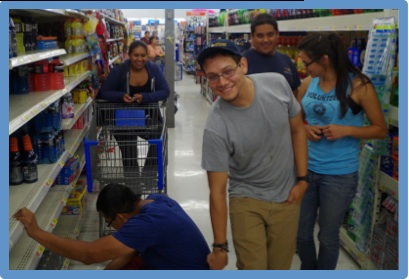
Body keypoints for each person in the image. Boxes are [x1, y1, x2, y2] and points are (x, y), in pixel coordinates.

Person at [197, 39, 308, 270]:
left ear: (244, 65)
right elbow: (217, 191)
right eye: (213, 76)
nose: (222, 82)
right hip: (246, 199)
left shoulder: (277, 84)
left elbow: (297, 129)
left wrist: (303, 179)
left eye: (228, 71)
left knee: (280, 268)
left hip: (287, 196)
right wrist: (219, 247)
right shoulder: (216, 126)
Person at [295, 32, 388, 270]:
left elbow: (380, 130)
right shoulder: (308, 83)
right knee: (301, 232)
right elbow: (293, 121)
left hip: (339, 175)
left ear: (324, 58)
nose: (304, 68)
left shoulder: (359, 85)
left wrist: (346, 130)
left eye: (307, 62)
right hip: (305, 170)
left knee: (327, 236)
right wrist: (306, 129)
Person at [14, 183, 211, 270]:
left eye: (110, 222)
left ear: (120, 217)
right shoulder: (156, 200)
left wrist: (36, 232)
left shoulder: (147, 224)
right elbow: (131, 248)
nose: (112, 227)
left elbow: (89, 254)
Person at [99, 40, 169, 178]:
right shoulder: (119, 70)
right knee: (129, 152)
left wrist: (145, 97)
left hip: (148, 116)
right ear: (129, 55)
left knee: (158, 135)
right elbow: (104, 92)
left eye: (143, 55)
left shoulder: (153, 69)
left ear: (147, 55)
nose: (139, 59)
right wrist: (121, 96)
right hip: (124, 118)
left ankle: (148, 176)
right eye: (136, 55)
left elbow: (165, 91)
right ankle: (134, 185)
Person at [243, 13, 301, 96]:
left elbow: (294, 93)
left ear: (277, 34)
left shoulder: (286, 61)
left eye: (270, 35)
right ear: (252, 37)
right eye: (260, 36)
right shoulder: (242, 62)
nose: (265, 40)